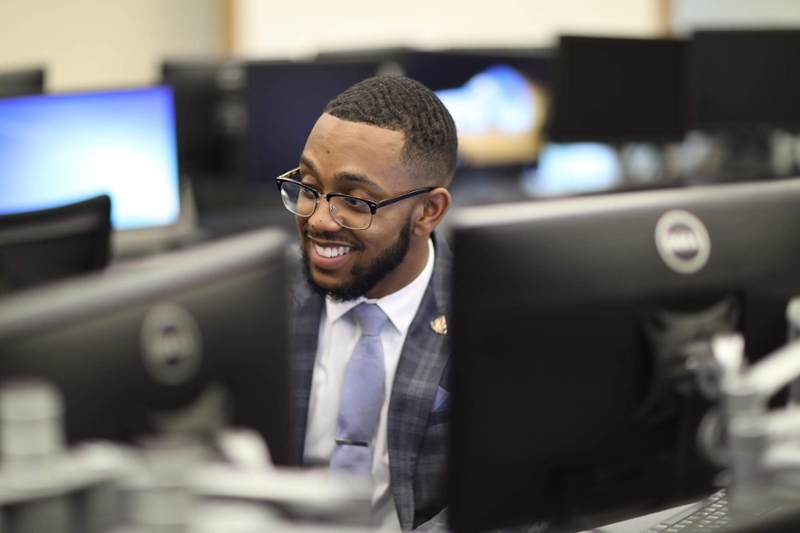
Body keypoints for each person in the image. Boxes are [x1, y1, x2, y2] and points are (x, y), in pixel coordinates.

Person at [279, 75, 457, 531]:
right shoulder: (261, 299)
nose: (318, 220)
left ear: (428, 212)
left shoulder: (489, 314)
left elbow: (515, 500)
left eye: (355, 201)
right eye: (309, 186)